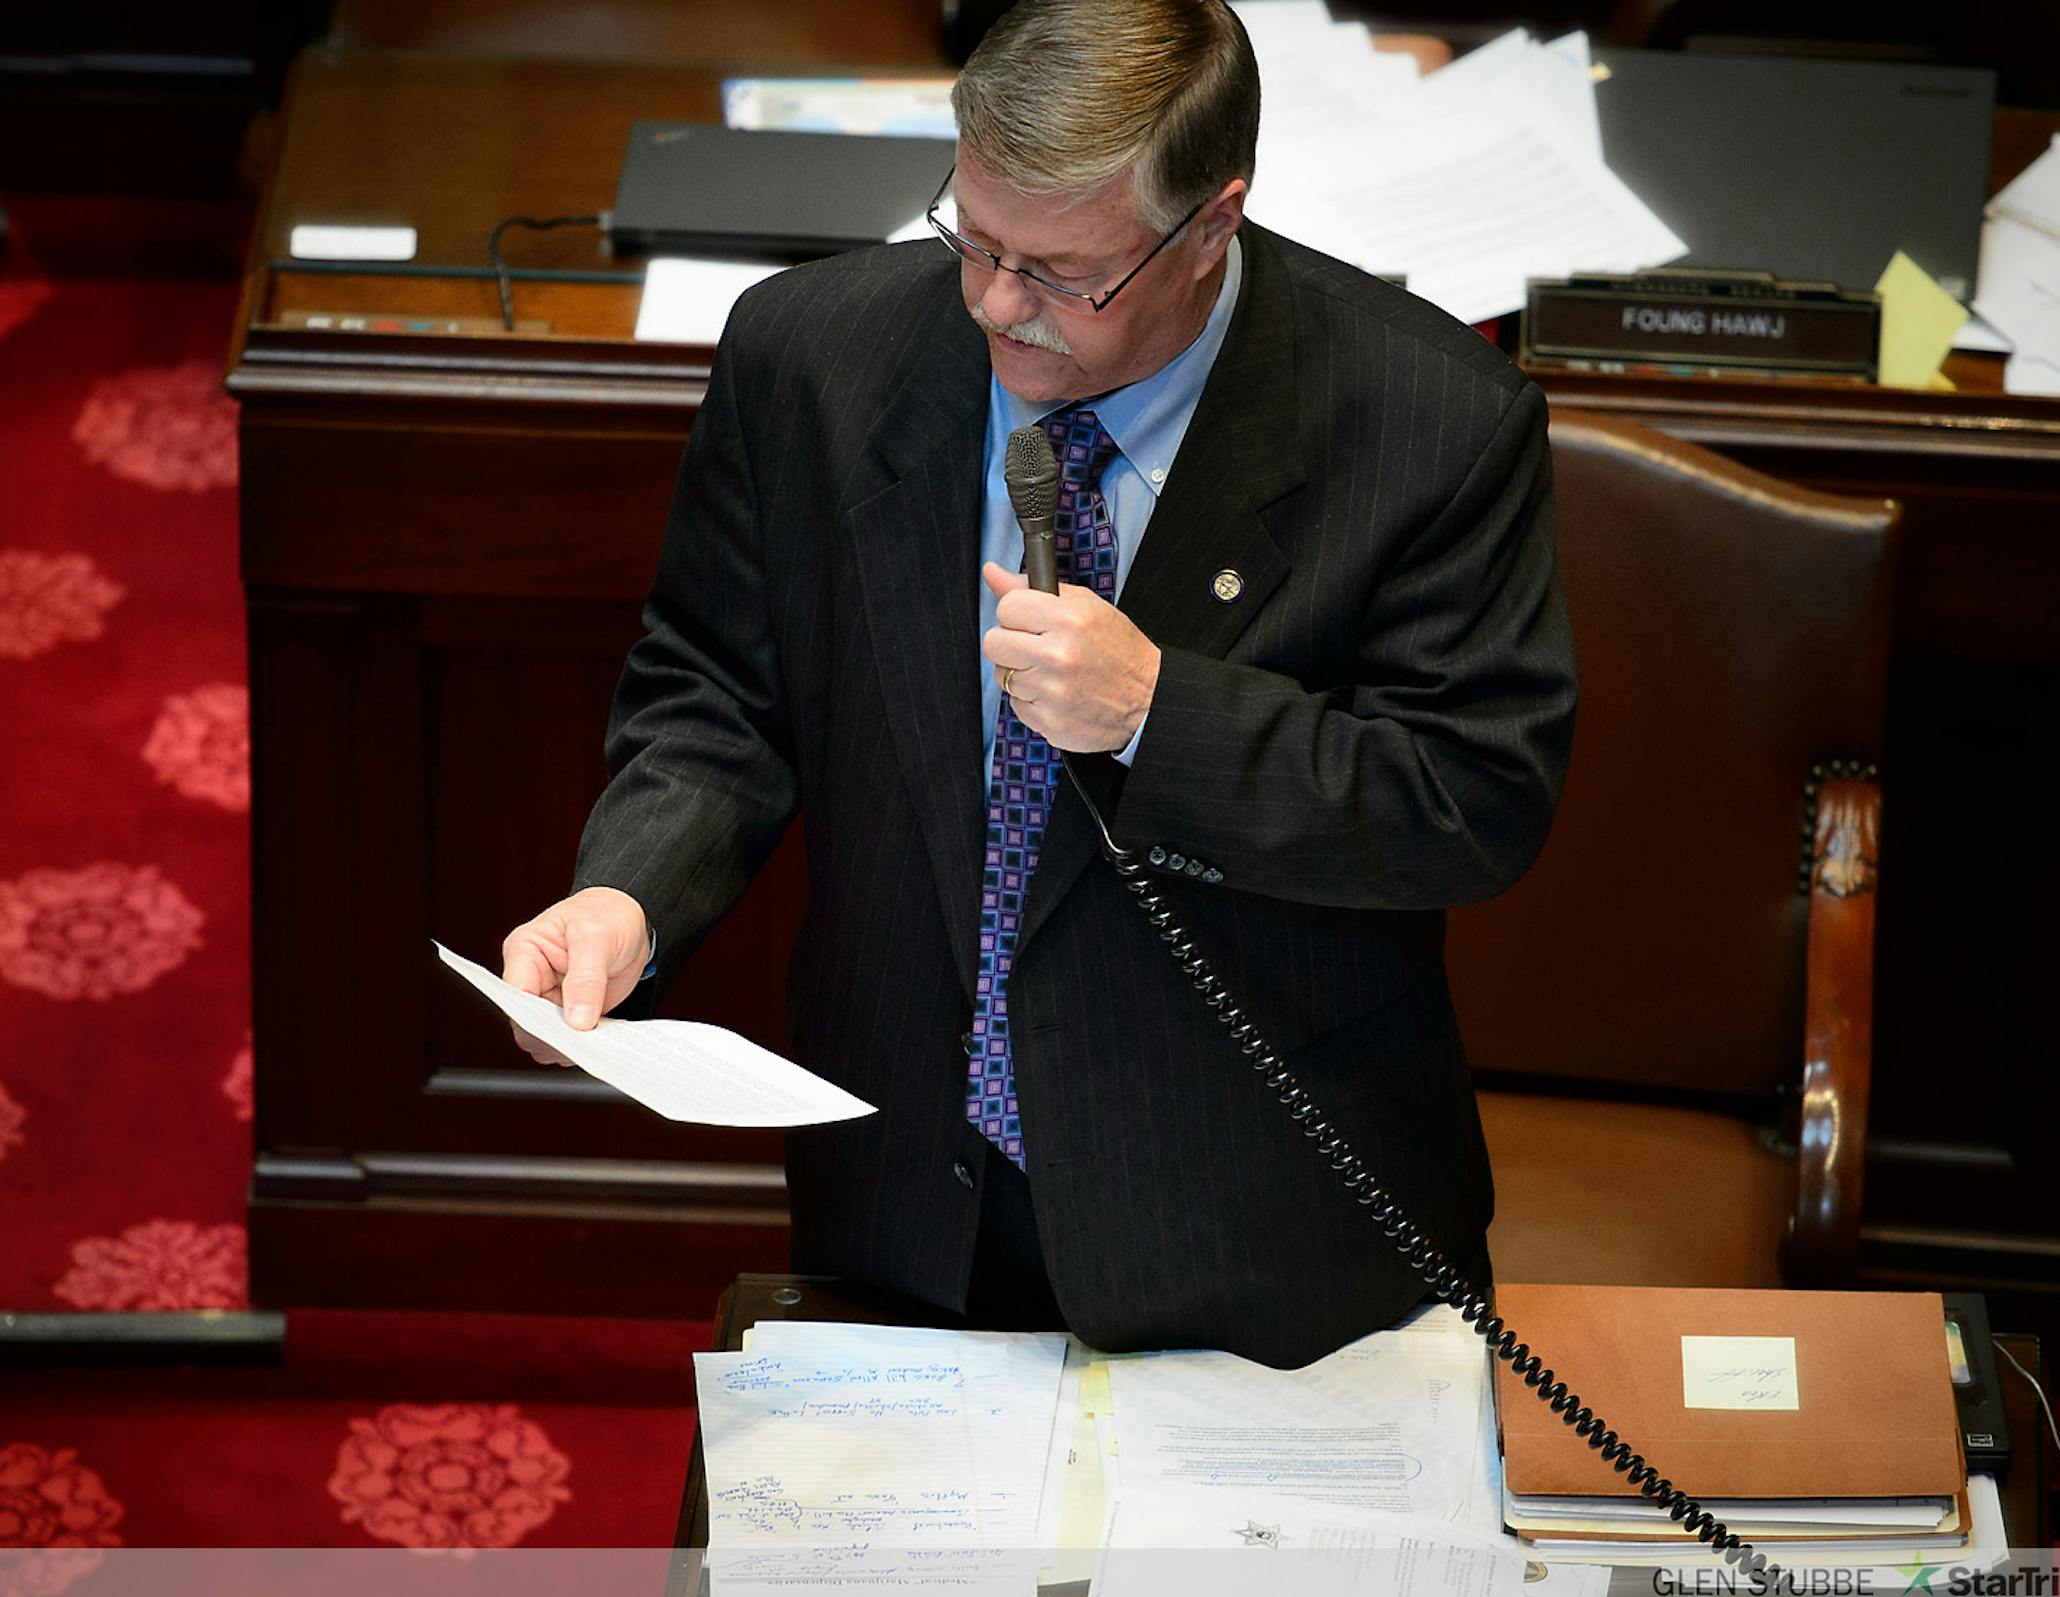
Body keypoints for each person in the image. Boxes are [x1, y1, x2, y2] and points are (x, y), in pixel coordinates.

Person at [501, 0, 1574, 1369]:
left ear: (1210, 226)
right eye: (978, 241)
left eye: (1062, 273)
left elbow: (1473, 799)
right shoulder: (808, 360)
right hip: (907, 1188)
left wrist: (1156, 717)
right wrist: (627, 891)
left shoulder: (1429, 423)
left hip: (1257, 1228)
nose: (998, 305)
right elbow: (718, 690)